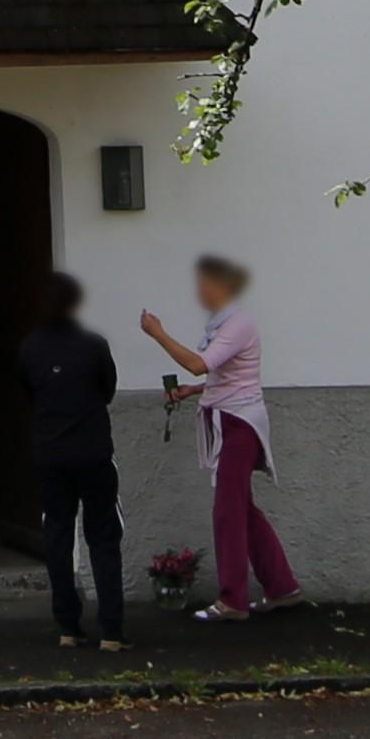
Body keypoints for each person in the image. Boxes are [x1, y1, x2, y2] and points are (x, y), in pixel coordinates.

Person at [140, 254, 304, 619]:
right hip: (230, 417)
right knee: (243, 509)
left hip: (240, 422)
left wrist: (158, 334)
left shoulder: (237, 324)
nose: (201, 292)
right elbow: (226, 375)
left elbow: (201, 363)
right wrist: (192, 391)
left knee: (227, 512)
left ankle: (233, 600)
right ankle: (282, 587)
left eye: (206, 285)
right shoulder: (224, 323)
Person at [15, 272, 126, 648]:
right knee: (104, 539)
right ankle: (112, 629)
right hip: (93, 452)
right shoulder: (94, 345)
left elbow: (28, 392)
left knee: (58, 537)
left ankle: (67, 625)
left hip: (50, 454)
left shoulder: (30, 348)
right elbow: (107, 390)